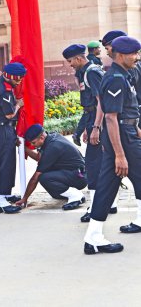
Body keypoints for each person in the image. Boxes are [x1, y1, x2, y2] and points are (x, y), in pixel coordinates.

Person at [84, 36, 141, 255]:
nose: (136, 58)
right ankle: (94, 236)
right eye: (133, 54)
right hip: (122, 139)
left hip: (127, 133)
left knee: (107, 187)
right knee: (111, 182)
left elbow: (127, 112)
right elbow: (111, 117)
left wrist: (135, 129)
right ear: (120, 55)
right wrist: (119, 154)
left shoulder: (123, 75)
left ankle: (93, 237)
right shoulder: (116, 78)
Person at [62, 44, 109, 222]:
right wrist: (85, 128)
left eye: (70, 61)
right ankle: (107, 204)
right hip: (93, 121)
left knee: (93, 165)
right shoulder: (86, 72)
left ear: (79, 58)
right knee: (102, 164)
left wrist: (96, 128)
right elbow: (89, 107)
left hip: (99, 124)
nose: (70, 65)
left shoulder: (91, 72)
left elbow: (101, 103)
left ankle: (96, 206)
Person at [16, 124, 87, 209]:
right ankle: (71, 193)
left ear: (42, 137)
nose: (33, 145)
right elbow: (39, 158)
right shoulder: (51, 137)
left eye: (33, 142)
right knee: (54, 191)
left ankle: (75, 196)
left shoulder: (52, 147)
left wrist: (24, 198)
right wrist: (23, 148)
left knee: (43, 177)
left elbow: (35, 178)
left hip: (80, 177)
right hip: (77, 172)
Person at [0, 62, 27, 214]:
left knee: (7, 163)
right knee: (6, 164)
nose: (20, 81)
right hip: (3, 128)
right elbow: (9, 114)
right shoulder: (4, 90)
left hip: (2, 127)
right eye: (18, 79)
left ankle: (5, 193)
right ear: (10, 76)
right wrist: (18, 104)